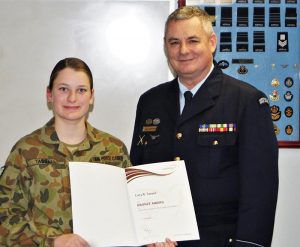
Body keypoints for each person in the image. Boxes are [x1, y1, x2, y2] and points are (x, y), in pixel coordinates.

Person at [130, 6, 278, 247]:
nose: (183, 50)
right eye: (174, 42)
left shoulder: (247, 102)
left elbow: (260, 192)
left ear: (212, 42)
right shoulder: (150, 102)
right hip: (158, 242)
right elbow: (138, 173)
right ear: (165, 46)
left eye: (192, 40)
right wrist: (147, 234)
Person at [0, 58, 177, 247]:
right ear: (49, 94)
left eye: (81, 90)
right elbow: (4, 218)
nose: (72, 98)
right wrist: (52, 240)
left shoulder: (113, 150)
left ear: (91, 96)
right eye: (63, 89)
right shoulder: (26, 151)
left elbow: (133, 212)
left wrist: (152, 237)